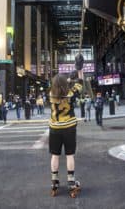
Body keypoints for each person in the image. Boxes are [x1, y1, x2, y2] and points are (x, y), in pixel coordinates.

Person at [49, 53, 84, 197]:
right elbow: (80, 81)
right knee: (70, 155)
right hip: (69, 127)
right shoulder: (71, 94)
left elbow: (61, 84)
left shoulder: (51, 94)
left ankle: (54, 183)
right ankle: (71, 182)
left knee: (55, 155)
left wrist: (69, 77)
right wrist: (79, 67)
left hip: (55, 128)